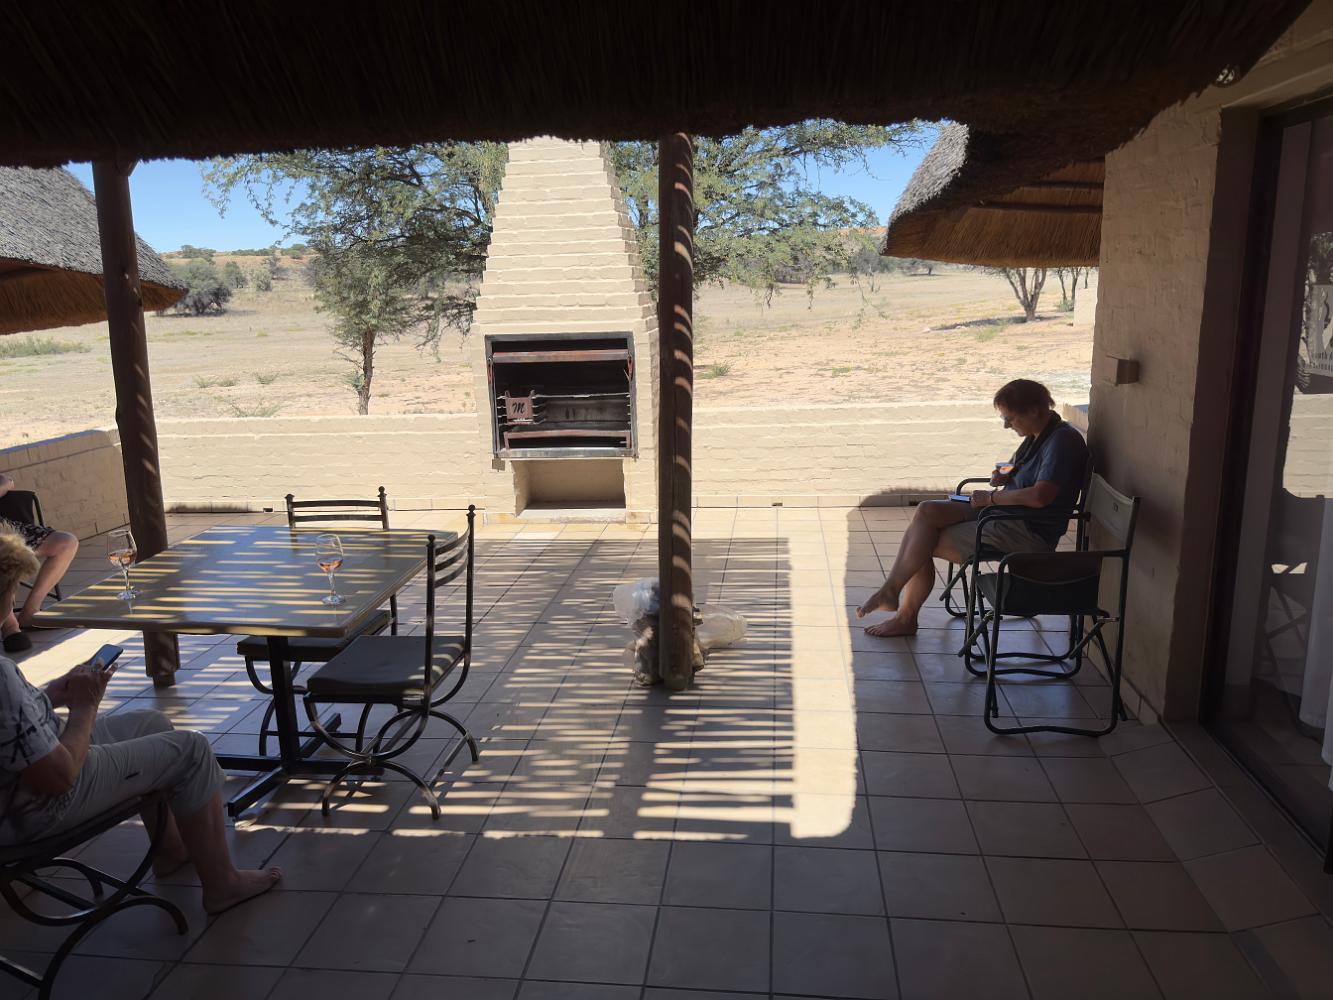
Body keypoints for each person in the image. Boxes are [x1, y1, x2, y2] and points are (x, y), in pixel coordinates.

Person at [0, 530, 281, 914]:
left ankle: (171, 852)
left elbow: (10, 724)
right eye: (12, 588)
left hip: (21, 781)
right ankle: (223, 885)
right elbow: (58, 777)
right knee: (192, 750)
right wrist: (85, 706)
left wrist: (47, 696)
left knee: (151, 723)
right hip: (33, 807)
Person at [856, 378, 1089, 638]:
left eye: (1010, 418)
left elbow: (1040, 497)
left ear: (1034, 410)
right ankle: (890, 592)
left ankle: (904, 615)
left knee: (921, 544)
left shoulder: (1061, 441)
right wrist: (1003, 473)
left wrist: (991, 499)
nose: (1007, 425)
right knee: (926, 511)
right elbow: (1019, 468)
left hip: (1024, 529)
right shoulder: (1038, 435)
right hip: (1002, 513)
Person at [0, 473, 79, 653]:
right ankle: (10, 627)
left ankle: (30, 612)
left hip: (6, 527)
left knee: (66, 542)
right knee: (5, 555)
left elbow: (7, 480)